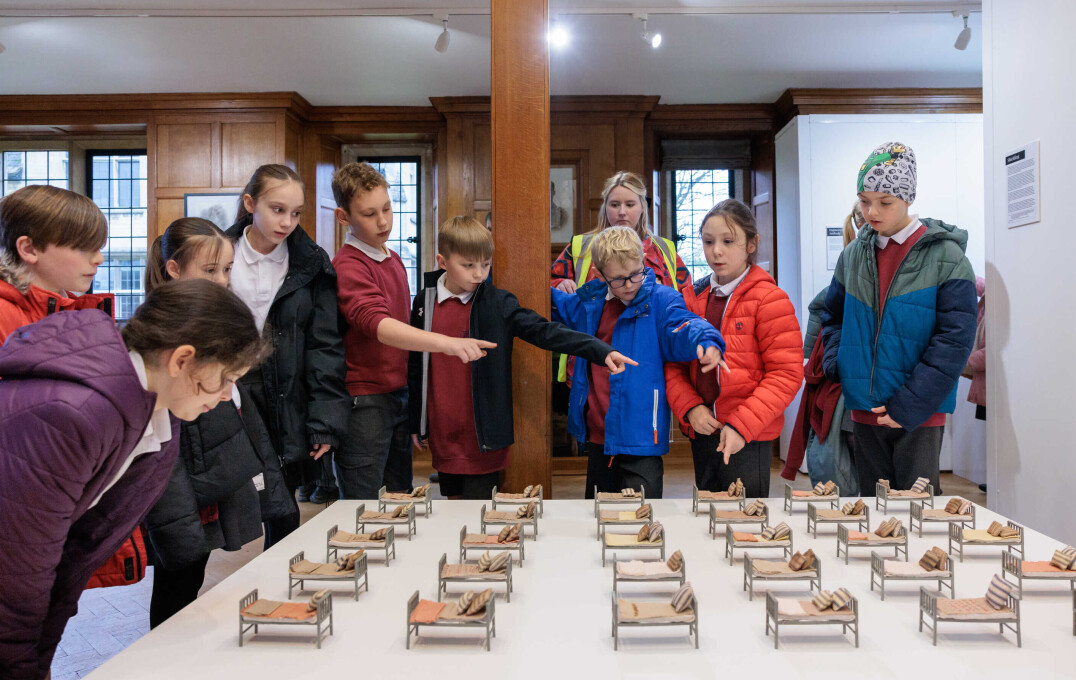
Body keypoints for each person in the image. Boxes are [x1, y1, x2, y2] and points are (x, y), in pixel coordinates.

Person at [0, 279, 270, 680]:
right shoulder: (76, 414)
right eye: (225, 378)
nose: (226, 394)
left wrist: (38, 659)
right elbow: (16, 573)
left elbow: (74, 556)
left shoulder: (161, 419)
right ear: (182, 359)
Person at [408, 216, 635, 499]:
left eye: (485, 264)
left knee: (479, 509)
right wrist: (417, 421)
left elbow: (546, 332)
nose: (479, 274)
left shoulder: (498, 303)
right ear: (442, 261)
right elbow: (417, 365)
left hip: (483, 438)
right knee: (452, 504)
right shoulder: (424, 302)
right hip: (443, 431)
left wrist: (601, 350)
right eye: (468, 266)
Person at [140, 218, 290, 628]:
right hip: (184, 484)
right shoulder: (166, 333)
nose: (222, 280)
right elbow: (164, 444)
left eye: (226, 269)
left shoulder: (211, 321)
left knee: (189, 578)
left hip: (209, 474)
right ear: (174, 269)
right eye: (210, 270)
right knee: (176, 582)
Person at [820, 142, 977, 494]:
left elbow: (955, 341)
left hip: (919, 414)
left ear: (908, 198)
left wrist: (910, 404)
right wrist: (838, 363)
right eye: (864, 201)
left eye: (885, 202)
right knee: (871, 509)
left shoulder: (947, 257)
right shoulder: (852, 255)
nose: (871, 211)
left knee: (917, 511)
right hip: (864, 409)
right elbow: (832, 317)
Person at [331, 163, 495, 500]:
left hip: (397, 395)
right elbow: (380, 326)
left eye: (387, 208)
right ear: (343, 217)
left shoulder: (391, 258)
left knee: (400, 496)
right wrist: (447, 343)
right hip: (365, 402)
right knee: (363, 503)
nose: (383, 221)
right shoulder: (348, 265)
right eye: (369, 214)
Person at [226, 164, 350, 546]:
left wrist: (324, 422)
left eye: (296, 213)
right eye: (277, 209)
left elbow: (325, 346)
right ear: (250, 203)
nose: (287, 222)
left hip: (288, 397)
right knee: (225, 514)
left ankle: (279, 582)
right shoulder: (220, 253)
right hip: (229, 396)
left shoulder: (312, 263)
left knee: (284, 510)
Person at [552, 226, 725, 498]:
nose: (631, 285)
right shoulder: (590, 302)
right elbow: (553, 303)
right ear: (600, 274)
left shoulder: (662, 300)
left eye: (636, 274)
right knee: (598, 512)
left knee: (644, 512)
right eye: (619, 280)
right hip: (599, 435)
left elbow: (686, 325)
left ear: (642, 262)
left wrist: (707, 341)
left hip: (643, 437)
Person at [665, 199, 803, 498]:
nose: (716, 251)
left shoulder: (770, 299)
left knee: (744, 515)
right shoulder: (690, 298)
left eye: (728, 241)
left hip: (747, 434)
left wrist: (741, 426)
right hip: (702, 428)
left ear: (751, 244)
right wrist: (690, 408)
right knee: (707, 513)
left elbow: (786, 374)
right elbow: (673, 364)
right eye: (708, 241)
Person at [550, 171, 690, 382]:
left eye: (630, 204)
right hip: (593, 356)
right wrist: (561, 283)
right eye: (614, 205)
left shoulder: (664, 249)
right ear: (605, 207)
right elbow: (548, 285)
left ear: (642, 206)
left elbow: (686, 298)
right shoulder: (581, 246)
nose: (622, 212)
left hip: (650, 358)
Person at [784, 202, 863, 492]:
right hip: (848, 379)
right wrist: (830, 363)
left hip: (857, 379)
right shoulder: (851, 267)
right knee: (848, 452)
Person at [0, 184, 111, 340]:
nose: (99, 259)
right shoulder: (4, 318)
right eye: (84, 248)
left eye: (98, 248)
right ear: (29, 249)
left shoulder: (73, 311)